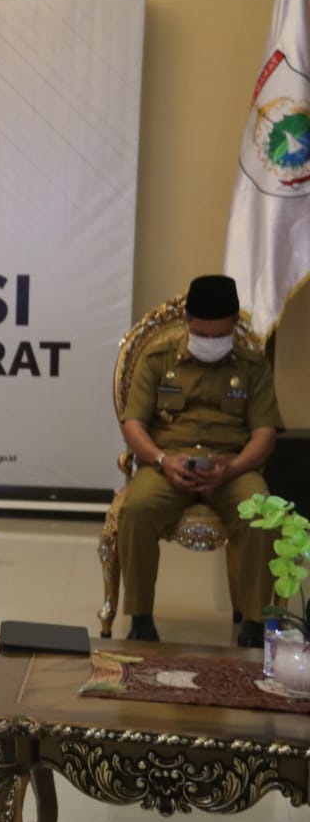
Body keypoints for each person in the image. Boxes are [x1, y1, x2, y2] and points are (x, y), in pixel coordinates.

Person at [116, 274, 281, 647]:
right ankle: (141, 620)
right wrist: (162, 460)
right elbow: (133, 424)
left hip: (232, 466)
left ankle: (254, 624)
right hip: (167, 464)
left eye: (219, 335)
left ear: (234, 324)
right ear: (187, 321)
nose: (210, 342)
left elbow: (265, 433)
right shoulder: (157, 359)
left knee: (261, 513)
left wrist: (233, 468)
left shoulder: (252, 366)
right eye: (202, 334)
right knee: (137, 509)